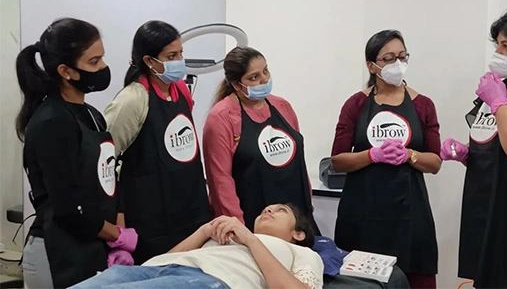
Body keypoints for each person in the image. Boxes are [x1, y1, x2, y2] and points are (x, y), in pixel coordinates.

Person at [17, 18, 138, 288]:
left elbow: (108, 181)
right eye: (94, 62)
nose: (104, 68)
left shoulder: (92, 116)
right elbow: (68, 207)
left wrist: (119, 236)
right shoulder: (52, 122)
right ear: (66, 71)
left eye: (102, 58)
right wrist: (117, 235)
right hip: (59, 253)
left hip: (95, 245)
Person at [441, 8, 507, 288]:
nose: (498, 54)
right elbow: (501, 148)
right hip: (491, 222)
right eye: (497, 45)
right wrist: (469, 154)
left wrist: (499, 103)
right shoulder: (501, 87)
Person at [331, 30, 441, 288]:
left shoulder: (423, 105)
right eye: (389, 59)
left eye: (402, 57)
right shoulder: (355, 105)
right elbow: (337, 160)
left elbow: (435, 162)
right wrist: (371, 155)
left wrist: (410, 155)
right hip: (363, 213)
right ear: (371, 65)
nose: (397, 64)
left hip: (410, 214)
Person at [104, 20, 212, 264]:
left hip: (191, 207)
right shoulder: (132, 100)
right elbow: (105, 158)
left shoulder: (181, 89)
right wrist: (117, 229)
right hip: (151, 218)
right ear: (149, 61)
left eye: (180, 53)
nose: (179, 61)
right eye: (171, 55)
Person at [70, 203, 323, 289]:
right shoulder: (228, 236)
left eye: (281, 211)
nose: (269, 209)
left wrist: (250, 238)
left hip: (209, 280)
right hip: (159, 269)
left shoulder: (300, 252)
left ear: (298, 234)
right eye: (268, 207)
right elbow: (160, 262)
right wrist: (204, 231)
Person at [203, 46, 318, 233]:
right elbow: (220, 180)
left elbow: (299, 161)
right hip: (254, 222)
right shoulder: (222, 117)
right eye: (254, 77)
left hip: (294, 218)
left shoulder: (282, 106)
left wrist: (307, 203)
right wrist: (238, 229)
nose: (264, 79)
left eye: (265, 71)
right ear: (236, 83)